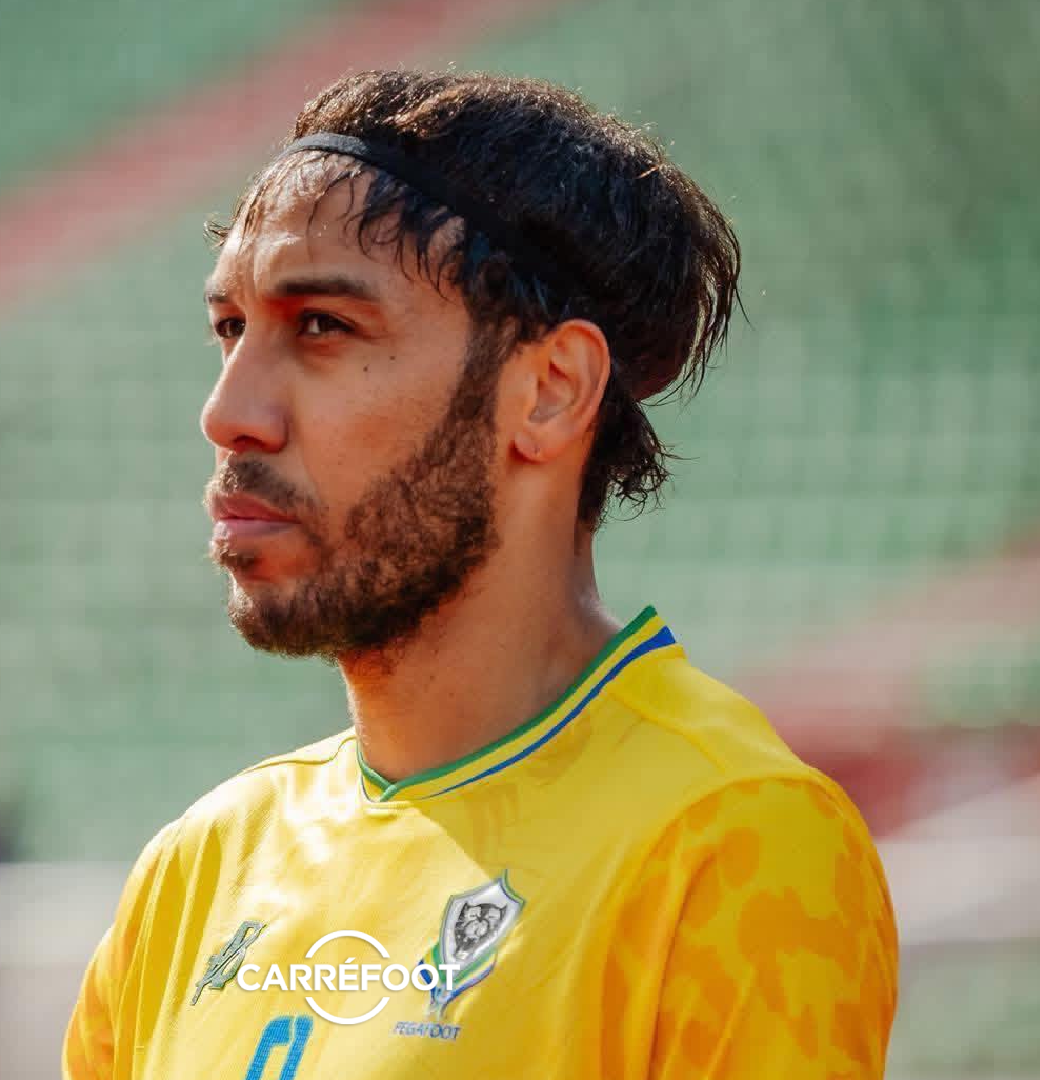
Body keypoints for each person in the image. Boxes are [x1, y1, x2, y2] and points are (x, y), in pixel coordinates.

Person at [64, 69, 897, 1079]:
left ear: (549, 391)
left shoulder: (728, 838)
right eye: (231, 329)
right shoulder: (198, 869)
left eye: (322, 326)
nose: (228, 412)